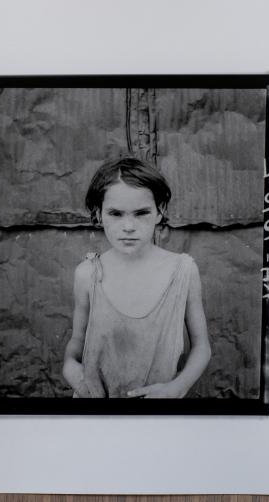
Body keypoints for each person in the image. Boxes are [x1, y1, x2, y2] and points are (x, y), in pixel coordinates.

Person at [63, 157, 211, 398]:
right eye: (116, 214)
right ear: (98, 214)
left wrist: (177, 388)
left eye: (141, 213)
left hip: (157, 415)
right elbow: (77, 342)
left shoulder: (183, 271)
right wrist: (69, 365)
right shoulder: (87, 275)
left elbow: (202, 347)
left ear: (159, 212)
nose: (129, 226)